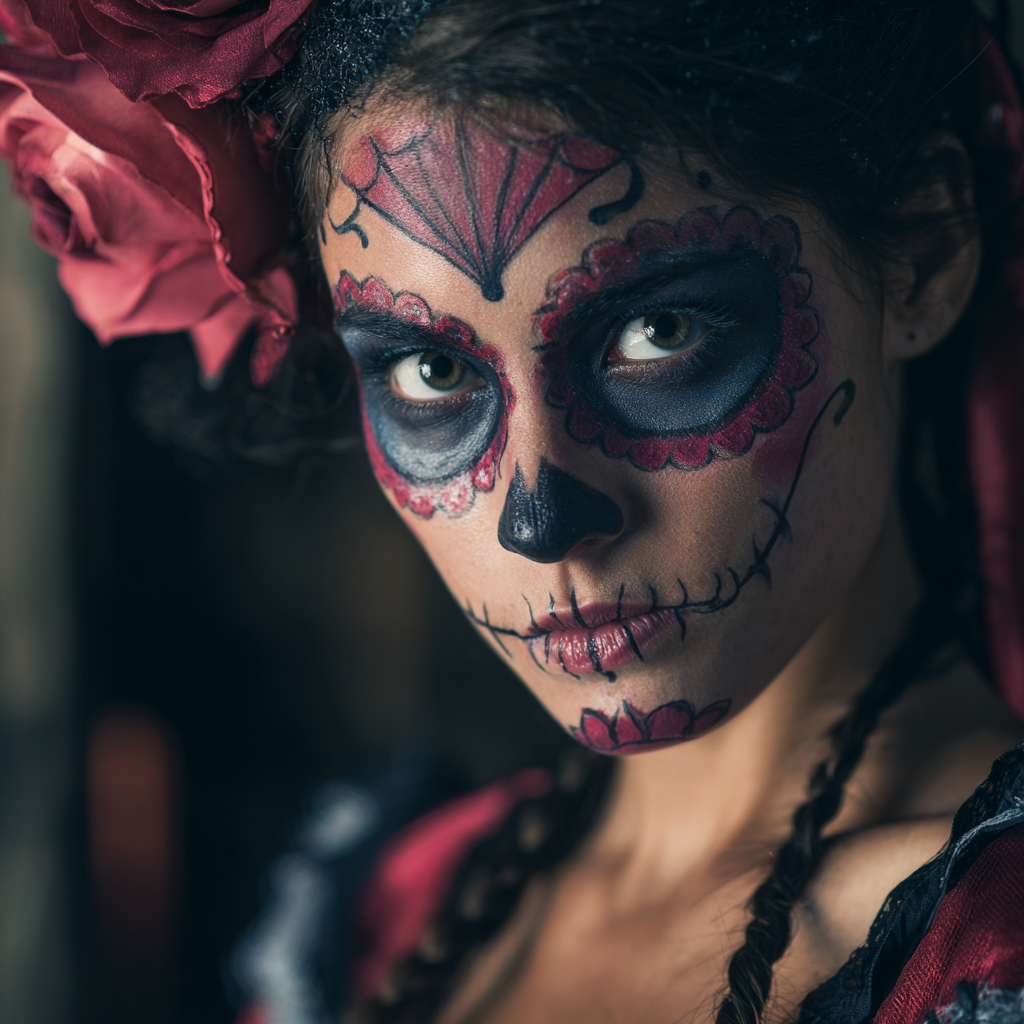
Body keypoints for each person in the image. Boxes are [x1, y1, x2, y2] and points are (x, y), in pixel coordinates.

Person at [2, 2, 1024, 1023]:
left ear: (922, 256)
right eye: (431, 367)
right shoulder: (387, 910)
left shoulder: (992, 946)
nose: (537, 516)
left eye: (659, 331)